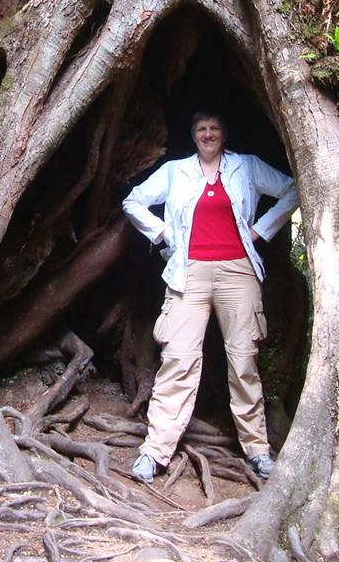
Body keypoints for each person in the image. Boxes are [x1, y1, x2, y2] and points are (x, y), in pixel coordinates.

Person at [122, 112, 298, 483]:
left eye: (214, 128)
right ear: (194, 135)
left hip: (238, 272)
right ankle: (154, 452)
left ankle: (257, 451)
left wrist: (261, 230)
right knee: (178, 359)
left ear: (224, 133)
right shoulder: (175, 172)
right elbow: (134, 201)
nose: (208, 134)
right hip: (189, 273)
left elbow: (293, 188)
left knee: (243, 360)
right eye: (201, 129)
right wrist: (163, 233)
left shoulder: (246, 167)